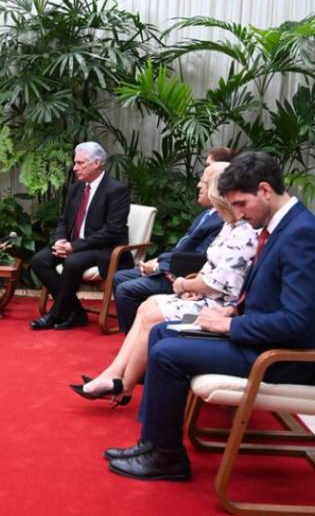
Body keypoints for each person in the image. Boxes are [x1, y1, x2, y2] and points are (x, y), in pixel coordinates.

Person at [105, 151, 315, 481]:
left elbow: (299, 322)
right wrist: (235, 308)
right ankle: (152, 443)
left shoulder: (301, 233)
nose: (240, 214)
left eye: (242, 204)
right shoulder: (283, 226)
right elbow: (271, 292)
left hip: (281, 357)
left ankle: (167, 458)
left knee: (167, 354)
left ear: (264, 189)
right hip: (260, 339)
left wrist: (231, 324)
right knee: (161, 334)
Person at [71, 161, 257, 405]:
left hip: (219, 309)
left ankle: (122, 383)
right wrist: (192, 284)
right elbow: (209, 268)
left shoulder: (244, 231)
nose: (199, 185)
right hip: (205, 297)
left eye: (205, 182)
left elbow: (220, 283)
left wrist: (184, 285)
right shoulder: (228, 225)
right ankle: (115, 376)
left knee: (150, 312)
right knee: (146, 306)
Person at [111, 148, 236, 333]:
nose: (200, 184)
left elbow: (198, 259)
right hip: (183, 272)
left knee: (126, 291)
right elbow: (185, 248)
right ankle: (131, 339)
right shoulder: (208, 215)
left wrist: (160, 266)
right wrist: (159, 260)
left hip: (186, 277)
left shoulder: (225, 221)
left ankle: (135, 339)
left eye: (207, 177)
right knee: (120, 278)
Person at [29, 141, 131, 330]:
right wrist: (60, 240)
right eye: (75, 163)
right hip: (74, 246)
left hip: (105, 249)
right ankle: (76, 312)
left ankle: (55, 314)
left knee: (72, 262)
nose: (75, 168)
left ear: (97, 163)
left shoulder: (116, 190)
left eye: (80, 163)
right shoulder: (76, 188)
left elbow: (112, 231)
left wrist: (74, 247)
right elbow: (64, 220)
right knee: (38, 260)